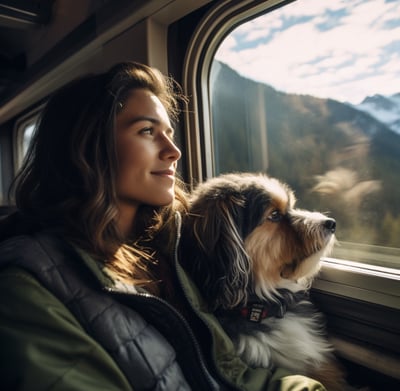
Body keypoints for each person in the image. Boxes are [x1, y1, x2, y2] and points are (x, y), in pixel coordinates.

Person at [0, 61, 327, 391]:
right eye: (146, 131)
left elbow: (233, 375)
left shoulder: (175, 248)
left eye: (169, 134)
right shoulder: (25, 291)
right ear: (87, 148)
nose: (174, 151)